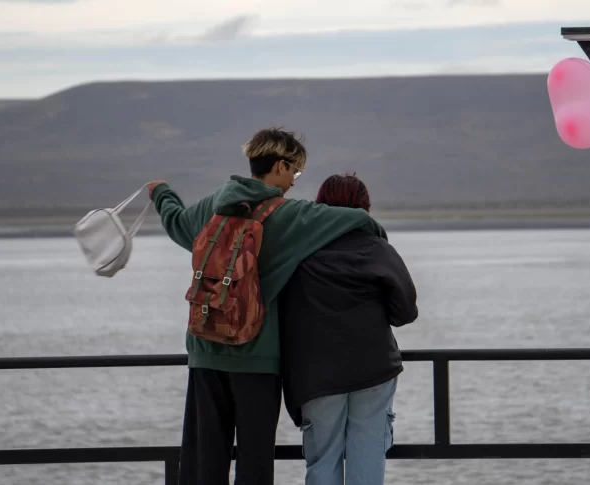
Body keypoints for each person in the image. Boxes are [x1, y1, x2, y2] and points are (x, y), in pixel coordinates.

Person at [147, 129, 387, 485]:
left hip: (204, 348)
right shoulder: (289, 216)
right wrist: (378, 236)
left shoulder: (212, 206)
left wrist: (161, 193)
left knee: (203, 458)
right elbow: (355, 220)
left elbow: (177, 223)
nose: (293, 182)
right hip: (256, 355)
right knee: (254, 460)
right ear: (279, 165)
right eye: (295, 172)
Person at [279, 174, 418, 485]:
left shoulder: (298, 252)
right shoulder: (377, 248)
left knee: (323, 460)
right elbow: (405, 312)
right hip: (373, 368)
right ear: (363, 207)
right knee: (367, 457)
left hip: (316, 375)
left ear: (320, 205)